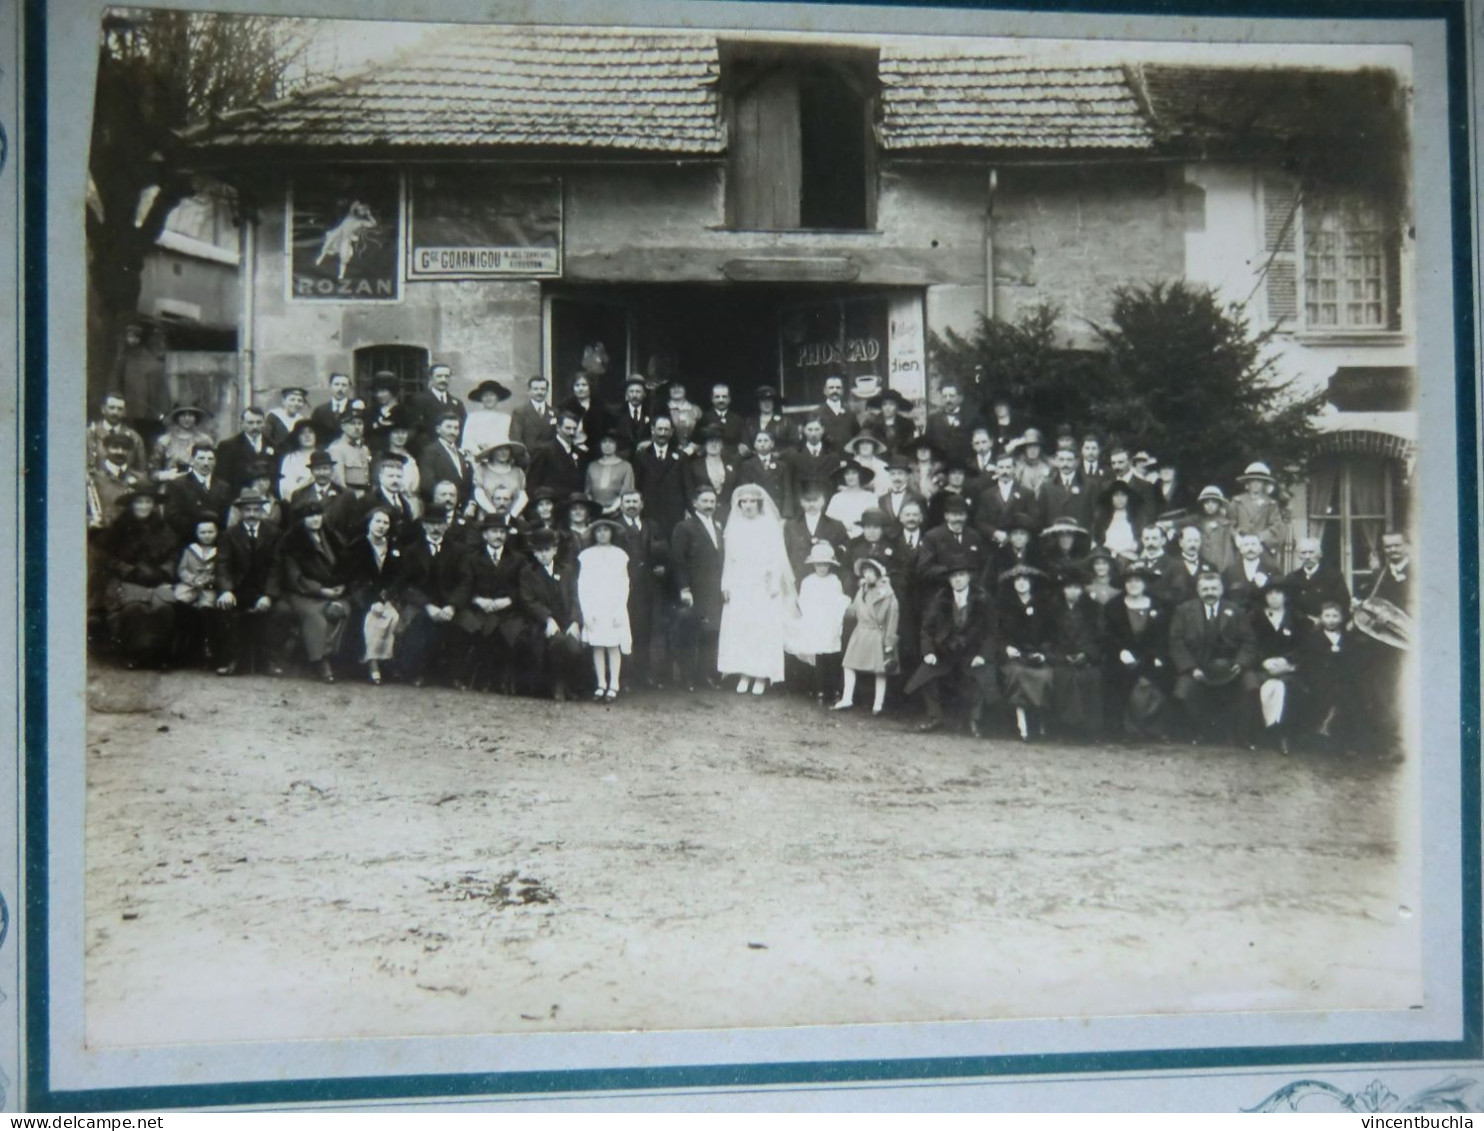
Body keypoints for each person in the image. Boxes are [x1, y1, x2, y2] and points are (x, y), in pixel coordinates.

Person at [904, 553, 1000, 736]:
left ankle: (975, 720)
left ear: (969, 577)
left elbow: (992, 633)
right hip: (945, 651)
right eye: (953, 576)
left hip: (971, 652)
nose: (957, 580)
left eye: (961, 575)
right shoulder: (941, 598)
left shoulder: (982, 598)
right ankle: (935, 717)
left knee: (983, 674)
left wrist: (983, 655)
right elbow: (926, 629)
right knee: (926, 673)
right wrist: (929, 652)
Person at [715, 483, 796, 695]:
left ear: (759, 504)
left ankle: (761, 675)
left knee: (762, 628)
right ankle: (744, 673)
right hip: (740, 583)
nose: (748, 505)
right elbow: (729, 559)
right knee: (742, 628)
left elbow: (777, 556)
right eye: (744, 501)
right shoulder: (734, 525)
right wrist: (726, 584)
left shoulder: (768, 524)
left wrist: (774, 581)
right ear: (739, 504)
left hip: (763, 583)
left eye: (752, 501)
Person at [1168, 567, 1258, 745]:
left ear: (1221, 590)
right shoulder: (1184, 611)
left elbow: (1249, 642)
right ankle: (1200, 732)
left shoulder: (1235, 611)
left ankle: (1241, 736)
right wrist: (1191, 668)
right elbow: (1176, 642)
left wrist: (1240, 663)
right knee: (1183, 693)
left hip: (1230, 667)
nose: (1210, 593)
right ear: (1198, 591)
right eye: (1205, 589)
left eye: (1214, 589)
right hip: (1197, 666)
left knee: (1251, 687)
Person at [100, 490, 180, 668]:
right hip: (128, 580)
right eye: (139, 502)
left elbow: (173, 557)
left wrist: (162, 572)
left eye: (148, 502)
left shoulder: (164, 528)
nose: (143, 506)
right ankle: (134, 656)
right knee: (134, 609)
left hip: (158, 580)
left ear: (153, 505)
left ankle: (162, 657)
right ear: (132, 505)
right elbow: (108, 557)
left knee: (165, 608)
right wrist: (128, 570)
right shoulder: (119, 528)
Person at [214, 489, 285, 677]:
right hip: (239, 589)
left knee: (282, 611)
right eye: (247, 510)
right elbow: (222, 564)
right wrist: (227, 590)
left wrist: (269, 595)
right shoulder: (229, 535)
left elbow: (277, 567)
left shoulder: (274, 533)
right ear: (241, 512)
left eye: (256, 510)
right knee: (226, 609)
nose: (252, 514)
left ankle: (270, 660)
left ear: (262, 511)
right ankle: (232, 659)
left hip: (263, 590)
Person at [280, 499, 351, 683]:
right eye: (310, 516)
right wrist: (321, 591)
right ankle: (321, 662)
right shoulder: (292, 543)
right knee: (315, 617)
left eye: (318, 515)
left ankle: (326, 654)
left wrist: (341, 586)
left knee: (342, 611)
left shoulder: (332, 537)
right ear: (302, 520)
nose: (315, 519)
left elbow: (344, 566)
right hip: (303, 593)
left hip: (333, 590)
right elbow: (294, 578)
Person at [400, 511, 473, 688]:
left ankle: (456, 675)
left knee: (468, 625)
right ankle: (416, 673)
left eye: (440, 524)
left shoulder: (458, 550)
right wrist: (427, 605)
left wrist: (452, 606)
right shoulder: (412, 550)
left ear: (446, 526)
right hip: (422, 604)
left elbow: (465, 581)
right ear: (424, 525)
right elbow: (406, 585)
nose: (435, 528)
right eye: (431, 524)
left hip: (448, 604)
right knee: (417, 625)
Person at [456, 514, 527, 694]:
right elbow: (465, 585)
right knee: (475, 628)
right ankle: (476, 678)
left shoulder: (517, 559)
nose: (498, 536)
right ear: (485, 535)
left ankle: (504, 681)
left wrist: (509, 600)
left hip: (508, 610)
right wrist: (478, 599)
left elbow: (524, 586)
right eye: (494, 531)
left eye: (502, 532)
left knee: (511, 632)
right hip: (480, 608)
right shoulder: (472, 558)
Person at [1102, 561, 1171, 740]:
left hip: (1151, 656)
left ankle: (1155, 729)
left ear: (1145, 583)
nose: (1133, 585)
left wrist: (1159, 655)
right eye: (1129, 581)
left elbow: (1165, 634)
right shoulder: (1113, 606)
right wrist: (1120, 651)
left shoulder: (1160, 605)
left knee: (1160, 678)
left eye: (1138, 581)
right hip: (1122, 656)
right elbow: (1106, 634)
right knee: (1118, 679)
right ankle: (1124, 730)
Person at [669, 485, 726, 691]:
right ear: (695, 504)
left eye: (712, 501)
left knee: (710, 633)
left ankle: (704, 675)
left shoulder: (718, 527)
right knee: (690, 634)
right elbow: (678, 561)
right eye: (705, 501)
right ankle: (687, 678)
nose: (709, 505)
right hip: (694, 589)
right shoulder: (685, 527)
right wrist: (684, 588)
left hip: (713, 589)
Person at [519, 527, 586, 701]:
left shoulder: (567, 570)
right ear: (534, 553)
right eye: (539, 551)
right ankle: (558, 685)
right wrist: (547, 619)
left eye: (547, 550)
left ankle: (570, 684)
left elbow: (576, 597)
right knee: (557, 643)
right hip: (539, 622)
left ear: (555, 550)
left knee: (572, 645)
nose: (543, 555)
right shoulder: (528, 572)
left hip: (566, 620)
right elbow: (529, 601)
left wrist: (575, 622)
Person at [345, 506, 405, 686]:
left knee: (394, 617)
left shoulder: (393, 547)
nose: (381, 526)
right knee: (373, 618)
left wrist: (388, 596)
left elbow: (398, 576)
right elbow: (354, 578)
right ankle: (373, 664)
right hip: (362, 595)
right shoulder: (357, 545)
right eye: (377, 521)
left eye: (386, 522)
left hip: (388, 595)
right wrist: (372, 601)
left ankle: (387, 662)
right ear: (369, 523)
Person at [787, 541, 852, 703]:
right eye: (818, 565)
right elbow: (804, 602)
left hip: (830, 622)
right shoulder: (808, 581)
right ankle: (820, 689)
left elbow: (838, 602)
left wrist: (833, 618)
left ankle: (835, 690)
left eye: (825, 565)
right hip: (816, 622)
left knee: (833, 655)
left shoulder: (834, 581)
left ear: (830, 565)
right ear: (813, 565)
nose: (822, 568)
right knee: (819, 656)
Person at [835, 556, 900, 716]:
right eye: (865, 572)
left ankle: (878, 704)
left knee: (880, 670)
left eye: (871, 571)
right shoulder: (862, 590)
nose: (868, 575)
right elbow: (855, 609)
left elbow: (893, 617)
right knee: (848, 665)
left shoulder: (887, 593)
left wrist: (889, 642)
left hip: (877, 634)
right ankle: (847, 698)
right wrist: (840, 607)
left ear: (878, 574)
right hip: (861, 632)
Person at [615, 490, 666, 689]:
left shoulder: (651, 526)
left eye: (635, 501)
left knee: (644, 631)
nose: (631, 505)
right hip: (623, 585)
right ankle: (624, 677)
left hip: (646, 587)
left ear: (641, 504)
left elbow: (663, 551)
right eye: (627, 501)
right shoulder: (616, 528)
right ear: (620, 505)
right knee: (623, 629)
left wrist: (661, 566)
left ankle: (643, 676)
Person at [998, 563, 1055, 741]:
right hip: (1015, 656)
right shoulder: (1005, 606)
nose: (1021, 583)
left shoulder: (1043, 607)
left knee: (1045, 675)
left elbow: (1051, 634)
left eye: (1025, 580)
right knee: (1017, 674)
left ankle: (1040, 722)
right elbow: (997, 633)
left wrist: (1043, 653)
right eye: (1018, 580)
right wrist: (1006, 648)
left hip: (1037, 655)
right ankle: (1022, 725)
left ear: (1031, 583)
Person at [578, 517, 632, 701]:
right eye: (598, 531)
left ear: (611, 533)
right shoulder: (586, 556)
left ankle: (614, 684)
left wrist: (619, 609)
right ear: (594, 534)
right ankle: (601, 683)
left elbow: (624, 584)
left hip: (613, 605)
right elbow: (582, 586)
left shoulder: (620, 555)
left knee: (613, 645)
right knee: (598, 645)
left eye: (606, 530)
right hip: (595, 605)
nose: (602, 534)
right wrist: (586, 611)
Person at [1047, 569, 1105, 740]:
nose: (1072, 592)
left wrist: (1086, 654)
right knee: (1063, 676)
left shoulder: (1094, 609)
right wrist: (1061, 656)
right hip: (1060, 657)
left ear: (1082, 590)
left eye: (1076, 588)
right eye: (1068, 588)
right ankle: (1064, 729)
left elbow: (1101, 638)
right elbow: (1047, 638)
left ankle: (1089, 730)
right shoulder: (1053, 609)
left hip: (1086, 658)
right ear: (1063, 590)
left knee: (1090, 676)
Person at [1250, 576, 1306, 753]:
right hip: (1262, 666)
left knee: (1287, 687)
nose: (1274, 597)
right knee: (1255, 685)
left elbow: (1303, 645)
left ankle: (1283, 735)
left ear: (1285, 596)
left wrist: (1287, 661)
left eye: (1278, 593)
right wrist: (1263, 661)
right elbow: (1250, 644)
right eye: (1270, 594)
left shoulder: (1297, 618)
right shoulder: (1254, 618)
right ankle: (1262, 733)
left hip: (1288, 667)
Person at [1299, 599, 1355, 750]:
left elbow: (1351, 660)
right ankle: (1321, 730)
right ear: (1321, 618)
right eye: (1327, 616)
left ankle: (1339, 737)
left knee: (1346, 694)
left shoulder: (1347, 637)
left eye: (1335, 616)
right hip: (1320, 679)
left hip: (1342, 678)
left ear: (1341, 618)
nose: (1331, 620)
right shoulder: (1313, 638)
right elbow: (1309, 662)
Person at [173, 513, 222, 668]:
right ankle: (180, 650)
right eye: (202, 532)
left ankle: (208, 650)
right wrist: (192, 580)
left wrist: (209, 580)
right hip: (189, 586)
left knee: (208, 609)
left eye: (210, 532)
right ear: (196, 533)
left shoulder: (220, 551)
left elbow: (221, 571)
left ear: (217, 532)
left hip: (208, 588)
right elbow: (182, 569)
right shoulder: (190, 550)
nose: (206, 536)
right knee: (180, 603)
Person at [162, 442, 232, 542]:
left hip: (216, 541)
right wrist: (199, 533)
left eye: (210, 459)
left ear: (215, 462)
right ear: (192, 460)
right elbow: (172, 516)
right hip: (186, 540)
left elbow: (224, 517)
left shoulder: (223, 487)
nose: (206, 463)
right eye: (201, 458)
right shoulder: (177, 485)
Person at [784, 479, 850, 580]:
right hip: (799, 578)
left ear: (823, 500)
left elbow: (845, 550)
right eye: (807, 500)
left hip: (827, 578)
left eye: (815, 500)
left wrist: (831, 550)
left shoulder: (836, 525)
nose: (811, 505)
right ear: (801, 502)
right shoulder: (791, 526)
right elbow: (786, 553)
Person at [918, 494, 987, 585]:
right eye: (954, 515)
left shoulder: (974, 536)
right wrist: (949, 571)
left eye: (961, 515)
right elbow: (924, 568)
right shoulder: (932, 537)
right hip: (942, 589)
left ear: (966, 516)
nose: (958, 519)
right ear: (946, 516)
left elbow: (982, 566)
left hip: (969, 589)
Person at [89, 432, 149, 530]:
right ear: (106, 449)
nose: (120, 451)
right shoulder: (93, 478)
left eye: (125, 448)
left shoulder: (141, 479)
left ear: (130, 451)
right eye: (115, 447)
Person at [975, 454, 1037, 547]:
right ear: (996, 470)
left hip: (1019, 544)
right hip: (993, 544)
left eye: (1008, 467)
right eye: (1001, 467)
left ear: (1014, 469)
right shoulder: (986, 494)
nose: (1004, 471)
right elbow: (980, 521)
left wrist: (1016, 535)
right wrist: (995, 533)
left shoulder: (1026, 493)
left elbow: (1033, 520)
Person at [1285, 536, 1351, 624]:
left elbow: (1344, 603)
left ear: (1319, 554)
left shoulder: (1333, 576)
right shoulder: (1292, 578)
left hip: (1328, 626)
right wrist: (1306, 619)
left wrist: (1326, 619)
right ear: (1298, 555)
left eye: (1311, 552)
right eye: (1303, 553)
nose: (1307, 556)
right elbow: (1288, 606)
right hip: (1301, 627)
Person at [215, 406, 278, 496]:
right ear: (242, 424)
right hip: (238, 499)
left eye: (259, 422)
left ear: (264, 423)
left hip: (266, 498)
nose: (255, 426)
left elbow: (275, 475)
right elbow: (222, 479)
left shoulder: (273, 446)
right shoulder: (228, 446)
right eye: (250, 423)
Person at [526, 410, 587, 500]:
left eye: (574, 429)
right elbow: (533, 484)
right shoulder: (544, 450)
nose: (572, 433)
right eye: (568, 428)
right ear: (558, 428)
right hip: (552, 504)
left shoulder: (579, 452)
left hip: (573, 506)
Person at [734, 429, 795, 519]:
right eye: (759, 441)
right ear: (755, 445)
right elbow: (745, 490)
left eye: (766, 441)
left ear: (772, 444)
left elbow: (787, 491)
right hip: (757, 508)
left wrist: (786, 514)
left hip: (776, 508)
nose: (762, 444)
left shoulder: (781, 465)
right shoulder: (747, 465)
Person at [418, 412, 475, 507]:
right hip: (439, 507)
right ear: (438, 429)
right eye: (448, 427)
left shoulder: (462, 454)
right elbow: (427, 484)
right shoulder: (429, 451)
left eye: (456, 428)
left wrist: (471, 504)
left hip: (462, 510)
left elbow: (469, 483)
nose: (453, 432)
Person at [1230, 461, 1286, 554]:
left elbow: (1276, 526)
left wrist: (1259, 538)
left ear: (1264, 484)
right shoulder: (1237, 501)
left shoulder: (1271, 504)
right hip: (1241, 545)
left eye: (1259, 481)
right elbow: (1229, 523)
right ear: (1247, 484)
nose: (1255, 484)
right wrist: (1236, 537)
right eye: (1252, 481)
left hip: (1262, 546)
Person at [86, 392, 148, 476]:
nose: (115, 412)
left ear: (125, 412)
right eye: (111, 408)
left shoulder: (134, 438)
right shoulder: (90, 434)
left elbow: (142, 472)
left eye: (120, 409)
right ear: (103, 409)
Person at [151, 404, 216, 484]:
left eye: (190, 415)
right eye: (183, 415)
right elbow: (152, 471)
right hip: (170, 486)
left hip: (197, 486)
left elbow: (212, 466)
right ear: (177, 417)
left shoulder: (205, 440)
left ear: (196, 417)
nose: (187, 418)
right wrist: (166, 475)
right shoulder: (165, 440)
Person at [408, 362, 467, 442]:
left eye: (446, 376)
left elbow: (463, 429)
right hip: (428, 449)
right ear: (431, 378)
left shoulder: (457, 403)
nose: (443, 380)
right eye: (439, 376)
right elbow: (414, 430)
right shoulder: (419, 400)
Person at [1221, 533, 1280, 612]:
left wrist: (1266, 583)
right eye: (1246, 545)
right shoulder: (1230, 571)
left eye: (1254, 544)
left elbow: (1278, 593)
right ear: (1240, 550)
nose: (1250, 548)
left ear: (1261, 549)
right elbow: (1224, 597)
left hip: (1262, 617)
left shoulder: (1271, 570)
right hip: (1237, 617)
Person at [923, 379, 976, 464]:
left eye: (952, 396)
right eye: (945, 396)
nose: (948, 400)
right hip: (941, 467)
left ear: (960, 398)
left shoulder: (970, 419)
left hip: (964, 466)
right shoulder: (932, 419)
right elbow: (928, 445)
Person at [685, 424, 738, 508]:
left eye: (717, 441)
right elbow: (690, 491)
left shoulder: (733, 464)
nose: (713, 444)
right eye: (710, 441)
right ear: (704, 445)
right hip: (704, 510)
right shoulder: (694, 466)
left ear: (722, 445)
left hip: (729, 511)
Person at [585, 430, 636, 516]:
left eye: (611, 442)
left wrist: (612, 509)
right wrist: (594, 508)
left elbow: (627, 491)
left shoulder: (625, 466)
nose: (607, 445)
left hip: (617, 512)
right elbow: (587, 491)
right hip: (595, 512)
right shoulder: (592, 466)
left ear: (616, 445)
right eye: (604, 442)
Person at [472, 441, 529, 519]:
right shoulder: (482, 470)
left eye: (506, 449)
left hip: (514, 517)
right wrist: (494, 514)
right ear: (492, 451)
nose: (503, 452)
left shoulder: (517, 471)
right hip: (488, 517)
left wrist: (512, 515)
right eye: (499, 449)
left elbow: (523, 496)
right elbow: (479, 495)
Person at [785, 417, 845, 490]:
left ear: (822, 430)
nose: (813, 434)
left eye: (817, 429)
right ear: (804, 430)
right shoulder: (793, 454)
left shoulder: (832, 455)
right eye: (810, 430)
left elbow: (837, 482)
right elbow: (788, 482)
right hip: (802, 498)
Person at [561, 372, 613, 454]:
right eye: (577, 385)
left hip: (596, 451)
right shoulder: (565, 407)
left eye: (584, 385)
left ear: (590, 387)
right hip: (570, 451)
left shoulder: (600, 407)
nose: (580, 388)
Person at [290, 450, 348, 521]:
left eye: (325, 468)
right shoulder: (300, 495)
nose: (322, 473)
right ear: (311, 471)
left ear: (332, 470)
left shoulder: (345, 494)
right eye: (317, 469)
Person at [327, 406, 373, 495]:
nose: (357, 427)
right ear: (343, 426)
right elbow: (338, 481)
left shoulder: (364, 449)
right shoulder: (336, 449)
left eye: (360, 423)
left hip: (365, 496)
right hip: (347, 496)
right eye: (352, 423)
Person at [460, 379, 513, 456]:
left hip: (500, 457)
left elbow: (507, 440)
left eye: (492, 395)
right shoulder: (473, 417)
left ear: (497, 397)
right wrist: (480, 453)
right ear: (481, 398)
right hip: (477, 456)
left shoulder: (506, 418)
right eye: (485, 395)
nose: (489, 398)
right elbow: (467, 440)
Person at [825, 460, 877, 539]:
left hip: (863, 538)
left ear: (860, 475)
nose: (850, 477)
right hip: (840, 537)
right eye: (847, 474)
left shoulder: (870, 497)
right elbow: (829, 521)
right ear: (843, 477)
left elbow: (873, 520)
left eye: (854, 473)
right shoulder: (837, 498)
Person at [1094, 481, 1144, 560]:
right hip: (1108, 558)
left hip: (1130, 557)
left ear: (1128, 497)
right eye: (1116, 495)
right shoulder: (1103, 518)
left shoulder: (1136, 518)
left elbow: (1141, 540)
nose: (1119, 499)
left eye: (1123, 495)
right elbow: (1098, 539)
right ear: (1111, 498)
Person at [1194, 486, 1239, 574]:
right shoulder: (1198, 524)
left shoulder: (1226, 525)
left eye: (1214, 502)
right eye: (1207, 502)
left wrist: (1225, 570)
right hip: (1201, 567)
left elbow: (1228, 552)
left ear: (1219, 505)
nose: (1210, 506)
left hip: (1220, 567)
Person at [509, 375, 559, 450]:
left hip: (549, 457)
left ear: (547, 391)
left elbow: (557, 437)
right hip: (529, 457)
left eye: (543, 389)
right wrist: (523, 458)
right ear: (529, 391)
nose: (539, 392)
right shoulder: (520, 412)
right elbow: (516, 439)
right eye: (535, 389)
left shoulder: (554, 412)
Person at [879, 456, 925, 537]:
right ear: (889, 476)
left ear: (907, 476)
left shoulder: (918, 498)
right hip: (888, 542)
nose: (897, 478)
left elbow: (924, 524)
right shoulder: (882, 499)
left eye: (900, 473)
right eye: (893, 474)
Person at [699, 382, 748, 456]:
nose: (721, 400)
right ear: (712, 399)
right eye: (717, 397)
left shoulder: (738, 419)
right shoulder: (705, 418)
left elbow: (744, 442)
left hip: (733, 459)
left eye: (724, 397)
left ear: (729, 399)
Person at [277, 421, 321, 502]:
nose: (307, 436)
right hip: (299, 503)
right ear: (297, 437)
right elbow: (285, 488)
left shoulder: (325, 455)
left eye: (310, 432)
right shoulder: (290, 459)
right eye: (302, 433)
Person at [309, 372, 356, 445]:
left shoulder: (355, 409)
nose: (340, 388)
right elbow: (314, 434)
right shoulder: (320, 411)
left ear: (349, 388)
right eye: (336, 384)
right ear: (330, 386)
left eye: (344, 385)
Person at [747, 385, 797, 452]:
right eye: (763, 400)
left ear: (774, 402)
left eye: (769, 400)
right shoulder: (750, 422)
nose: (766, 404)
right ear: (758, 403)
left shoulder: (786, 421)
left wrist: (779, 454)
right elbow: (747, 444)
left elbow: (795, 444)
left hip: (781, 460)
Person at [816, 374, 859, 450]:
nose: (835, 390)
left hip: (847, 457)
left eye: (838, 388)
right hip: (826, 458)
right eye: (831, 388)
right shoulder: (817, 413)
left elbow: (857, 435)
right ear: (825, 391)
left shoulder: (850, 413)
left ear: (842, 391)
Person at [365, 372, 405, 452]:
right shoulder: (370, 412)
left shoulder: (404, 412)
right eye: (377, 392)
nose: (379, 395)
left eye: (383, 391)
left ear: (393, 391)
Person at [614, 375, 654, 454]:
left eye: (638, 392)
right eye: (631, 392)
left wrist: (650, 442)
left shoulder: (651, 412)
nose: (634, 395)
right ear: (626, 394)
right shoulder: (617, 413)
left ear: (644, 394)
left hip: (646, 454)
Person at [843, 431, 892, 496]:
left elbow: (888, 487)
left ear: (874, 446)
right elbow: (843, 488)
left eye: (868, 443)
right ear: (857, 446)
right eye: (862, 443)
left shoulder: (883, 466)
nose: (865, 446)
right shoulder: (848, 465)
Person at [661, 380, 703, 453]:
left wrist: (692, 447)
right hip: (669, 452)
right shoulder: (663, 409)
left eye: (679, 387)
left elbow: (702, 432)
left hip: (693, 452)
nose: (676, 389)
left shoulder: (696, 410)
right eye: (673, 387)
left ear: (685, 389)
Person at [1010, 429, 1053, 498]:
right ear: (1024, 449)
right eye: (1029, 447)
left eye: (1035, 446)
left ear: (1040, 449)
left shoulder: (1048, 467)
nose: (1032, 450)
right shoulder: (1018, 468)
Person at [874, 388, 917, 456]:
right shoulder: (872, 424)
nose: (887, 408)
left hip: (901, 460)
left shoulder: (907, 424)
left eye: (891, 404)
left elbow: (910, 446)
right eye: (884, 404)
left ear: (897, 406)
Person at [263, 386, 309, 450]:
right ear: (284, 401)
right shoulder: (273, 416)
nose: (296, 403)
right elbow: (266, 438)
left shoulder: (301, 419)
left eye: (300, 401)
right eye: (292, 400)